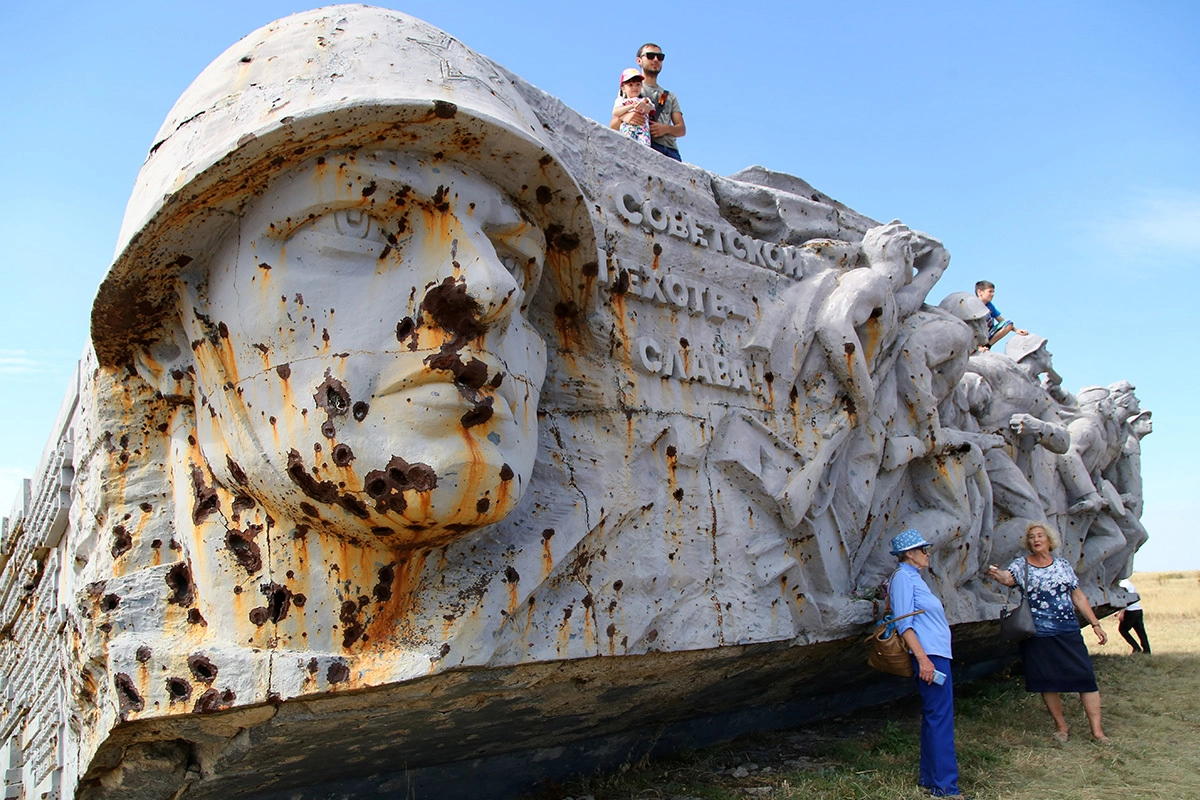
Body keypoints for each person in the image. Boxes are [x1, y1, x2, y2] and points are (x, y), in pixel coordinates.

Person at [986, 522, 1110, 745]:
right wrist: (997, 573)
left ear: (1049, 540)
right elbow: (1007, 578)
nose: (1036, 539)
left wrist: (1095, 624)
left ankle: (1097, 732)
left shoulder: (1062, 565)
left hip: (1068, 631)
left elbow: (1079, 596)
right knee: (1047, 681)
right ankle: (1061, 727)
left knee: (1086, 679)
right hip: (1038, 634)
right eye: (1032, 536)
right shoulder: (1021, 566)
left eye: (1040, 535)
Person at [888, 529, 967, 799]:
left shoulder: (915, 578)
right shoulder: (902, 578)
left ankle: (931, 778)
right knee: (940, 718)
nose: (928, 553)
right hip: (929, 656)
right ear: (910, 554)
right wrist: (922, 659)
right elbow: (904, 623)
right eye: (923, 550)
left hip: (935, 654)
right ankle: (946, 788)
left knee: (936, 716)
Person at [608, 43, 685, 160]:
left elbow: (681, 129)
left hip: (670, 151)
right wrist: (625, 117)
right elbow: (613, 125)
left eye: (660, 57)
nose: (655, 60)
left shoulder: (668, 96)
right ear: (639, 60)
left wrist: (665, 129)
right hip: (642, 145)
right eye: (650, 56)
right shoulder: (631, 88)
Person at [974, 280, 1027, 349]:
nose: (992, 294)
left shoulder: (989, 306)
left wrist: (1016, 330)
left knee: (1008, 323)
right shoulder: (973, 305)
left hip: (987, 334)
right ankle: (978, 347)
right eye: (990, 291)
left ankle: (987, 345)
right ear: (980, 292)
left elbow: (1000, 319)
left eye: (993, 292)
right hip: (975, 336)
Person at [612, 68, 653, 145]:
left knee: (644, 147)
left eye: (638, 84)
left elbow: (649, 108)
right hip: (627, 129)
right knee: (627, 145)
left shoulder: (645, 99)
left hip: (643, 129)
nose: (635, 87)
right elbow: (615, 112)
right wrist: (630, 106)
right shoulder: (621, 100)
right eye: (630, 85)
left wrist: (644, 105)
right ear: (623, 88)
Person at [1117, 578, 1151, 654]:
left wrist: (1122, 613)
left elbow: (1125, 599)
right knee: (1140, 631)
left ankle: (1136, 648)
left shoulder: (1122, 585)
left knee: (1123, 630)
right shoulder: (1128, 583)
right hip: (1138, 609)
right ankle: (1147, 650)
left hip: (1130, 611)